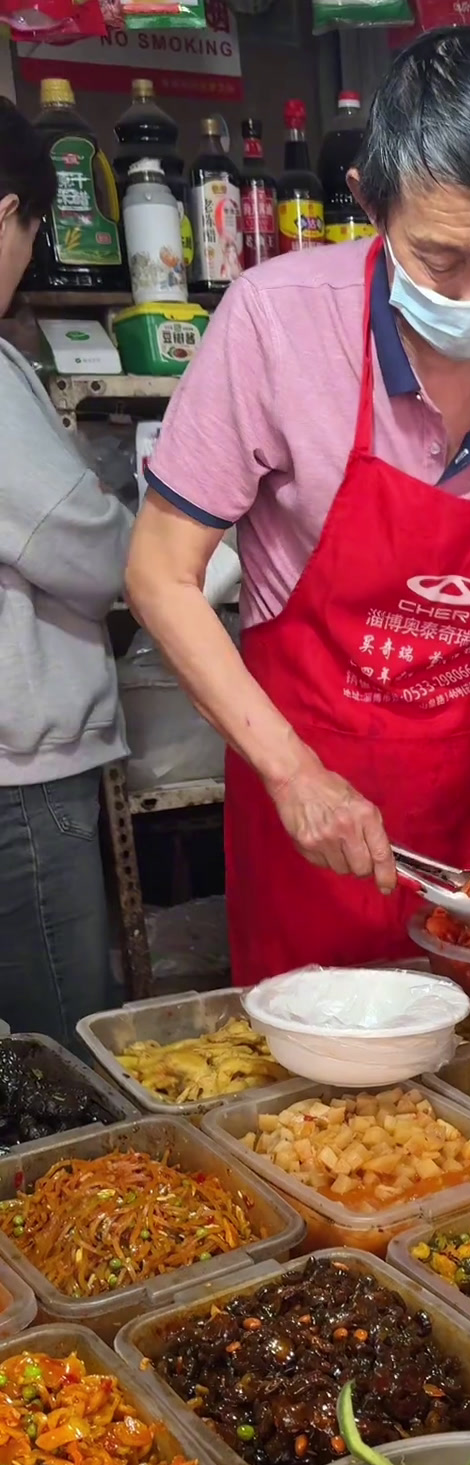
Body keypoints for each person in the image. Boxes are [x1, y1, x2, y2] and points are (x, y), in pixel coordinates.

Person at [127, 27, 470, 985]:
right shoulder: (273, 323)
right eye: (441, 257)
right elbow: (160, 574)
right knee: (323, 1117)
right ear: (373, 202)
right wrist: (292, 776)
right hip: (309, 805)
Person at [0, 98, 132, 1048]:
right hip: (21, 780)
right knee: (64, 1060)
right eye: (33, 229)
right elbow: (84, 542)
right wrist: (193, 559)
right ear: (6, 214)